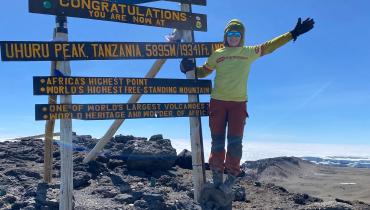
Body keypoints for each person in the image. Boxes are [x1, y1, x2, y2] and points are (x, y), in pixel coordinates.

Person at [180, 18, 315, 195]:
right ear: (225, 36)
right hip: (217, 103)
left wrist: (292, 34)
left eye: (237, 34)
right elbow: (205, 71)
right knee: (217, 143)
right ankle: (217, 178)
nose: (234, 37)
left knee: (235, 144)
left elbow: (270, 46)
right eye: (231, 34)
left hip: (238, 104)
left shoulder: (248, 52)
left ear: (241, 36)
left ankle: (230, 180)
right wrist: (188, 68)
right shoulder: (217, 53)